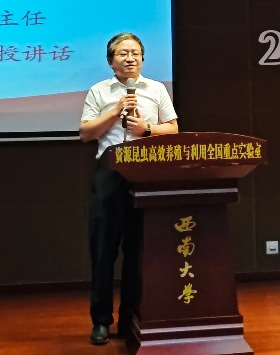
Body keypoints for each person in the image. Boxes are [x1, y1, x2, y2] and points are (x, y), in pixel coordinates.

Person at [79, 32, 179, 346]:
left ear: (142, 59)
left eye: (135, 53)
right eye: (122, 53)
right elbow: (85, 133)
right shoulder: (99, 91)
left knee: (138, 251)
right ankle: (100, 321)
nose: (130, 58)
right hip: (110, 173)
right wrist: (115, 111)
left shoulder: (157, 89)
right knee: (103, 250)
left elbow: (173, 128)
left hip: (146, 172)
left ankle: (129, 319)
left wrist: (146, 129)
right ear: (111, 61)